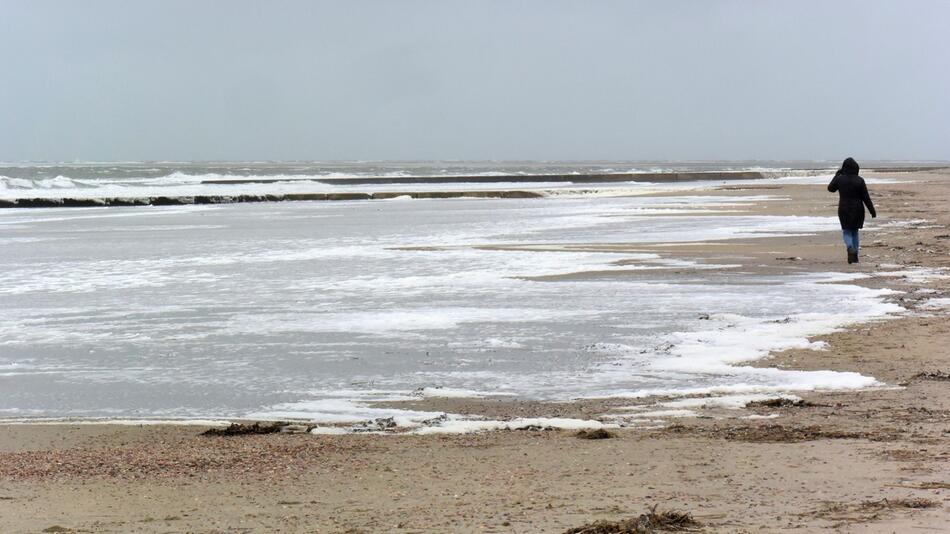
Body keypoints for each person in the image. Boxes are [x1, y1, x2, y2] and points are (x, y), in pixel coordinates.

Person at [827, 157, 876, 264]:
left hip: (844, 208)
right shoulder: (860, 180)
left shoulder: (840, 179)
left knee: (847, 231)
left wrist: (836, 175)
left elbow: (830, 189)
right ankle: (855, 256)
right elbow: (866, 198)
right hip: (858, 209)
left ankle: (850, 247)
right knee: (855, 231)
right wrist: (872, 211)